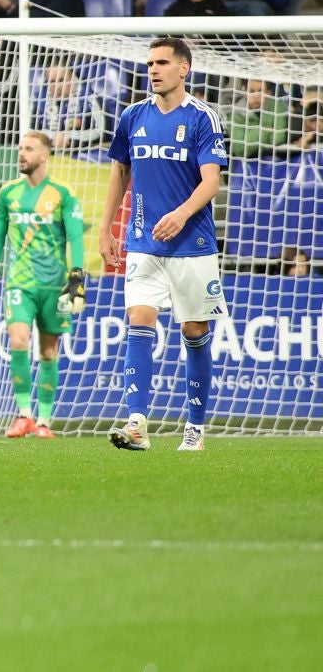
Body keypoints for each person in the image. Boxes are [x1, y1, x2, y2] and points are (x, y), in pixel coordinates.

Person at [101, 37, 227, 452]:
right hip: (143, 241)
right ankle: (137, 423)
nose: (152, 69)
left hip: (193, 242)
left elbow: (212, 181)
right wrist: (106, 230)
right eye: (149, 63)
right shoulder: (132, 115)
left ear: (183, 68)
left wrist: (181, 214)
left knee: (194, 331)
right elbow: (120, 172)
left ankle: (194, 426)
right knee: (138, 320)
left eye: (161, 63)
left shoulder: (203, 118)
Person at [0, 132, 88, 440]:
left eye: (28, 149)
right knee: (17, 340)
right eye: (20, 149)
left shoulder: (63, 193)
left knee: (49, 351)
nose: (21, 154)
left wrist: (76, 275)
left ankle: (44, 421)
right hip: (20, 282)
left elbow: (76, 236)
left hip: (53, 284)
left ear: (44, 155)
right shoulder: (7, 193)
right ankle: (24, 414)